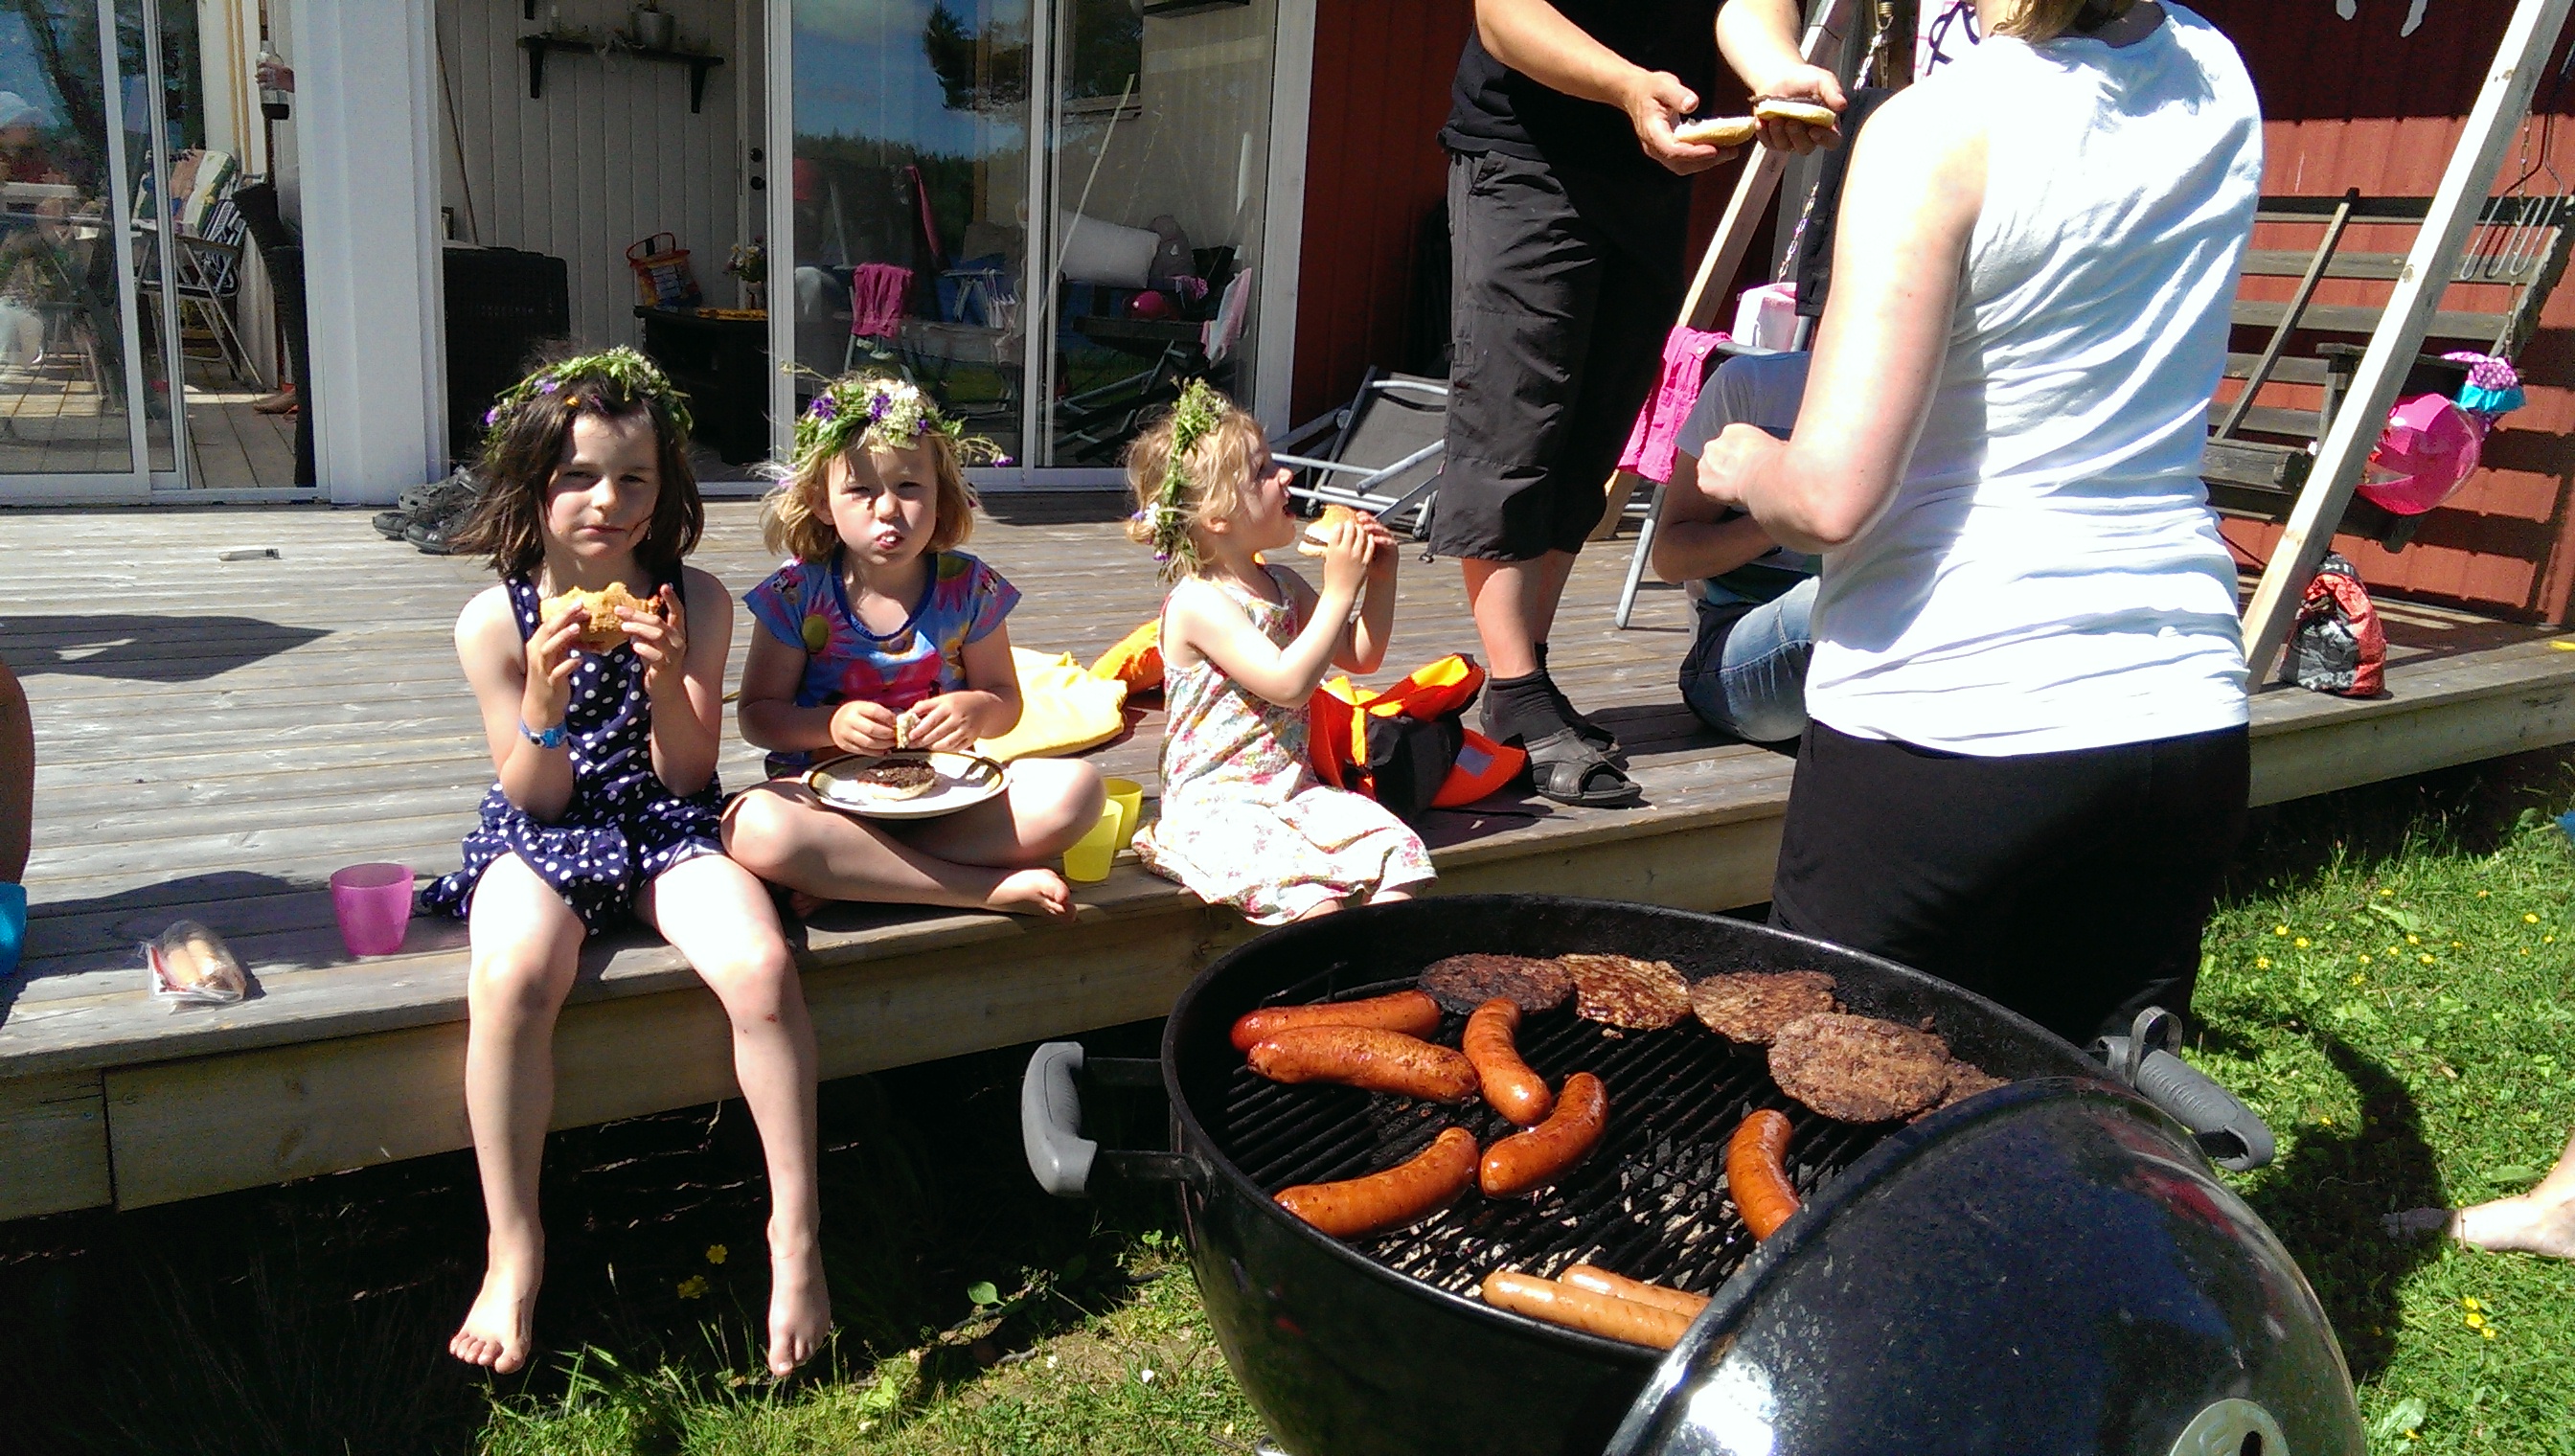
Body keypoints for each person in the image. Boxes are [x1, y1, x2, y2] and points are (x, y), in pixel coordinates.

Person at [1696, 0, 2262, 1044]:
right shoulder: (2215, 72)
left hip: (1949, 715)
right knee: (2084, 1111)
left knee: (1842, 1098)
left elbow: (1827, 498)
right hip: (2180, 710)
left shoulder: (1934, 130)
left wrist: (1745, 461)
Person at [420, 349, 829, 1378]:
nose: (607, 501)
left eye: (632, 478)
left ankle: (795, 1236)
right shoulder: (494, 621)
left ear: (665, 489)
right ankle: (513, 1246)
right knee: (511, 976)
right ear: (532, 485)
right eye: (578, 476)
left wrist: (667, 683)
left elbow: (688, 773)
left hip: (661, 818)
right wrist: (544, 704)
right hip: (547, 826)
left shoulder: (697, 600)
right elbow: (535, 796)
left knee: (762, 966)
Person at [1433, 0, 1844, 806]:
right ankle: (1514, 690)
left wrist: (1777, 75)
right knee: (1517, 425)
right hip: (1527, 158)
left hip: (1651, 169)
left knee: (1593, 429)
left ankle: (1526, 674)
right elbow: (1505, 18)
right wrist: (1627, 87)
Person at [721, 374, 1104, 921]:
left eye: (908, 486)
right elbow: (759, 717)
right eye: (860, 490)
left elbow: (1005, 701)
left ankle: (858, 875)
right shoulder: (797, 593)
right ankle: (973, 888)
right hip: (827, 803)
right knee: (755, 827)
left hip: (946, 798)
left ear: (941, 497)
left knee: (1078, 790)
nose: (886, 508)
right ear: (822, 503)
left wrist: (976, 709)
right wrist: (830, 725)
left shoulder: (968, 587)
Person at [1124, 380, 1434, 922]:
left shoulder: (1284, 584)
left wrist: (1381, 579)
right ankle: (1327, 976)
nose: (1285, 474)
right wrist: (1339, 591)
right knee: (1314, 899)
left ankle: (1376, 963)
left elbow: (1360, 656)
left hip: (1293, 794)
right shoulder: (1200, 601)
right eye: (1262, 471)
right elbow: (1288, 684)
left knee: (1400, 853)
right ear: (1217, 517)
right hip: (1216, 808)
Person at [1656, 350, 1815, 742]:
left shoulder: (1952, 402)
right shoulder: (1754, 384)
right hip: (1732, 649)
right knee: (1834, 600)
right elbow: (1671, 558)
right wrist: (1789, 511)